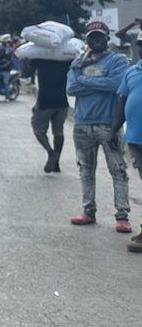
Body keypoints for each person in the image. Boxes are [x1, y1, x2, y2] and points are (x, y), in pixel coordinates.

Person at [66, 21, 131, 232]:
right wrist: (97, 81)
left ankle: (122, 216)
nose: (96, 40)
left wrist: (85, 80)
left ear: (107, 38)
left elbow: (116, 84)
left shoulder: (118, 59)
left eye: (100, 36)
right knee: (85, 170)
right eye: (92, 37)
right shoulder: (77, 62)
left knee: (118, 170)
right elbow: (71, 88)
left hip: (109, 124)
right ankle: (88, 211)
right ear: (87, 39)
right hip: (82, 123)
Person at [112, 30, 142, 252]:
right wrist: (114, 131)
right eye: (140, 45)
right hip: (135, 139)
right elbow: (122, 103)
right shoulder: (132, 72)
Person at [23, 56, 72, 172]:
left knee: (38, 129)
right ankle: (56, 163)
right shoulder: (66, 57)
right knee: (58, 131)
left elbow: (26, 73)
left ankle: (51, 152)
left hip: (45, 101)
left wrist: (26, 60)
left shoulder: (40, 57)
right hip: (62, 101)